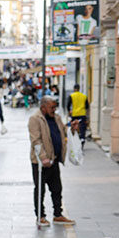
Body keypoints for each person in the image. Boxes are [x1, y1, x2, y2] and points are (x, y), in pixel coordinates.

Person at [29, 96, 76, 226]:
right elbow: (36, 140)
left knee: (57, 188)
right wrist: (43, 157)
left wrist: (71, 128)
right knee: (40, 189)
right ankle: (40, 216)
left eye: (55, 107)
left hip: (54, 159)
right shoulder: (35, 119)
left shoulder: (56, 118)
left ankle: (58, 215)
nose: (54, 110)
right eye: (51, 107)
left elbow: (63, 131)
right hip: (40, 162)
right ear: (43, 107)